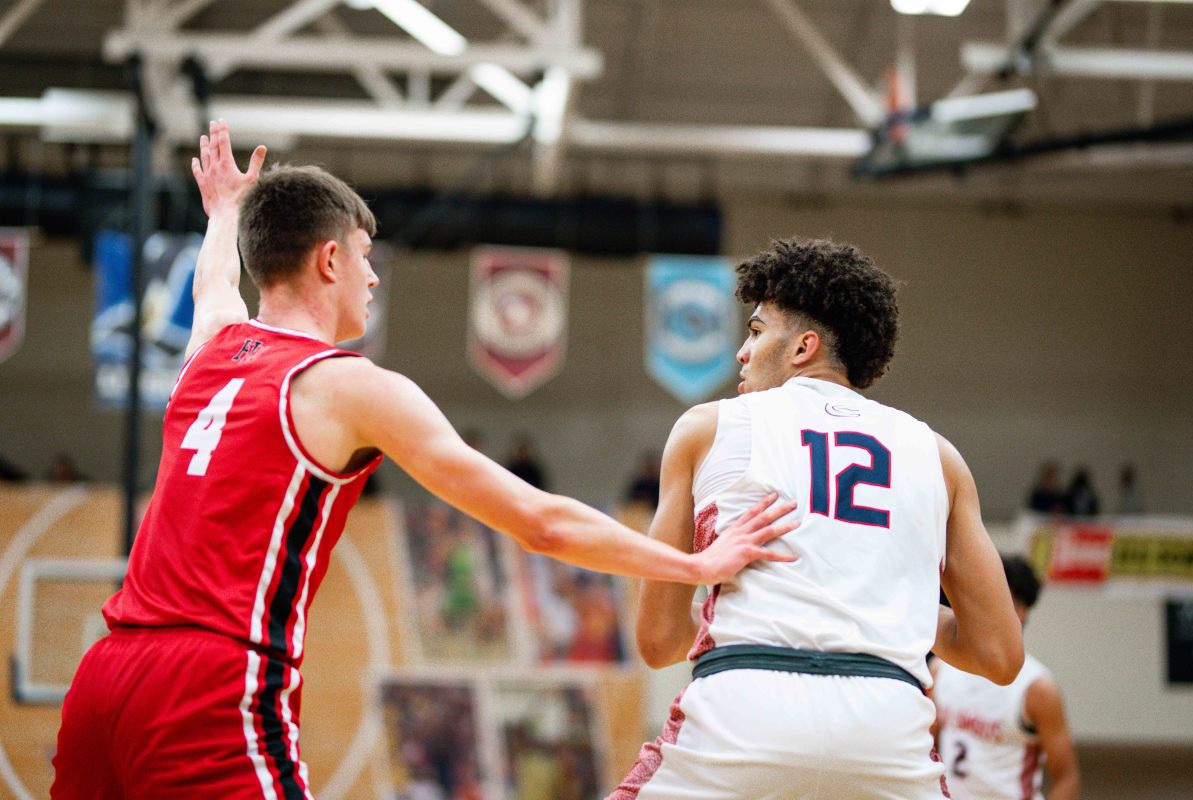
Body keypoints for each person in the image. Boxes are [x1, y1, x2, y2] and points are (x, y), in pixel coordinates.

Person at [50, 122, 797, 799]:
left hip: (105, 675)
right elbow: (540, 523)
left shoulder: (211, 350)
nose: (374, 279)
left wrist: (222, 216)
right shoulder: (346, 386)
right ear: (331, 258)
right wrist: (698, 567)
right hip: (209, 682)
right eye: (368, 259)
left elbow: (214, 287)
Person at [610, 238, 1024, 800]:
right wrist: (874, 596)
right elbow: (998, 654)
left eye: (756, 332)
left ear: (804, 347)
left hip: (744, 712)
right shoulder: (940, 456)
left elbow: (658, 641)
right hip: (886, 730)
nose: (741, 351)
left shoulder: (707, 427)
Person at [933, 555, 1081, 800]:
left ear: (1021, 612)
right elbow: (925, 747)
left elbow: (1066, 777)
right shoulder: (940, 669)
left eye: (1001, 600)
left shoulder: (1037, 689)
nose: (987, 606)